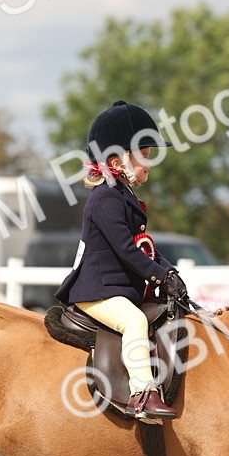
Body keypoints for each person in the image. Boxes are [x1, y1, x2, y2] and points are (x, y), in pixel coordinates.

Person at [55, 100, 188, 421]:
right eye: (144, 155)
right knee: (134, 322)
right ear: (117, 159)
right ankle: (143, 393)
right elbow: (126, 250)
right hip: (96, 292)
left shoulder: (123, 196)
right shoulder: (104, 199)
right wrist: (160, 278)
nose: (149, 164)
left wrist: (169, 271)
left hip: (117, 289)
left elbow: (145, 248)